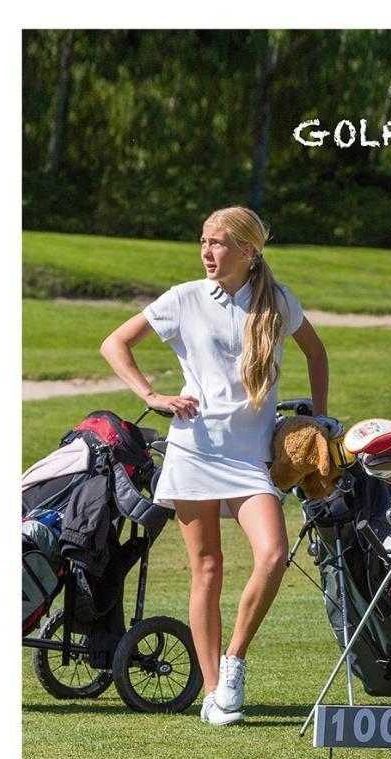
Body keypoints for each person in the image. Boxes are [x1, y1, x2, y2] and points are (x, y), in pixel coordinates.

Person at [101, 206, 335, 726]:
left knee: (273, 554)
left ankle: (234, 662)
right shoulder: (184, 298)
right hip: (194, 451)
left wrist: (319, 419)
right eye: (204, 241)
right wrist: (152, 395)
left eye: (219, 243)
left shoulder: (277, 301)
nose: (207, 252)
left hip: (252, 458)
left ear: (249, 251)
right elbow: (114, 343)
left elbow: (317, 355)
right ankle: (213, 692)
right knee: (207, 568)